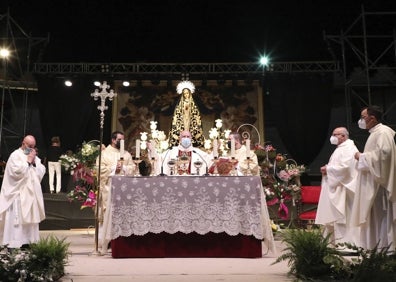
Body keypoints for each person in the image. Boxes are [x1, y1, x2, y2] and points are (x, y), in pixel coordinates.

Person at [351, 105, 396, 251]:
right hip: (374, 183)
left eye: (363, 117)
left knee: (381, 217)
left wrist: (362, 157)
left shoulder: (382, 132)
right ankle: (377, 246)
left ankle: (385, 247)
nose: (361, 121)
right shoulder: (375, 132)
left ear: (373, 118)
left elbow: (385, 154)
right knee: (375, 217)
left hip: (379, 185)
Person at [315, 127, 360, 246]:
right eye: (333, 134)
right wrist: (329, 169)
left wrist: (328, 169)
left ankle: (346, 244)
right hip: (338, 187)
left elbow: (345, 169)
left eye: (336, 135)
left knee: (343, 218)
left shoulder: (349, 148)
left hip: (344, 189)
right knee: (336, 219)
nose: (333, 137)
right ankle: (335, 243)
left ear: (344, 136)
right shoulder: (341, 148)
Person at [0, 135, 46, 248]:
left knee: (31, 219)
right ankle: (14, 243)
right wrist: (28, 162)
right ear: (23, 144)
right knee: (18, 220)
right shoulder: (15, 155)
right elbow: (15, 172)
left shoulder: (33, 155)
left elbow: (41, 170)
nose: (32, 149)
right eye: (30, 146)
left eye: (33, 147)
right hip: (18, 194)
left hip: (31, 194)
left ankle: (29, 242)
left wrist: (34, 162)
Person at [97, 131, 134, 253]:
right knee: (108, 215)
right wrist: (114, 168)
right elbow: (99, 170)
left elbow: (133, 168)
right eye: (120, 140)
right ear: (113, 140)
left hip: (124, 192)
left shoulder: (126, 154)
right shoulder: (104, 154)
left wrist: (123, 168)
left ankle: (121, 241)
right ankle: (106, 242)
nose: (122, 142)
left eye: (123, 140)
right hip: (109, 190)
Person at [168, 81, 205, 148]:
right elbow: (177, 114)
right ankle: (183, 140)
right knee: (184, 129)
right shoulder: (180, 104)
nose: (186, 95)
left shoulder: (193, 104)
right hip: (183, 119)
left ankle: (190, 140)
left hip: (190, 120)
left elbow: (196, 114)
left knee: (189, 129)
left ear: (190, 93)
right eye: (184, 94)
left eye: (187, 93)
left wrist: (196, 119)